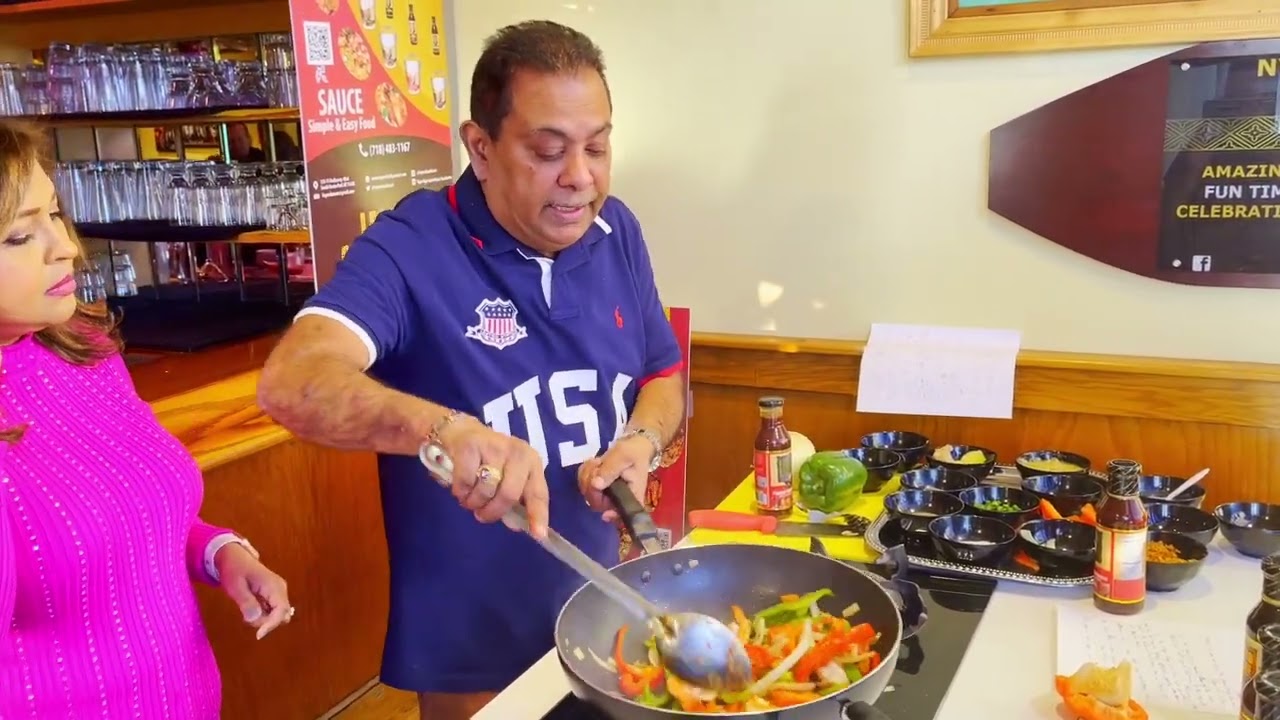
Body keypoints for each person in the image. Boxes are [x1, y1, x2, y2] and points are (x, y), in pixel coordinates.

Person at [257, 20, 685, 720]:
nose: (580, 177)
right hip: (472, 650)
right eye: (549, 151)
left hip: (605, 612)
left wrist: (642, 440)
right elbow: (292, 382)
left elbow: (662, 374)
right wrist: (443, 430)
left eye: (597, 147)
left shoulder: (617, 232)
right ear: (480, 148)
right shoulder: (410, 246)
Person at [0, 120, 294, 719]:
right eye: (19, 236)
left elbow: (128, 512)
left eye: (54, 215)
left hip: (187, 697)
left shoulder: (83, 347)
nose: (66, 247)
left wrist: (220, 552)